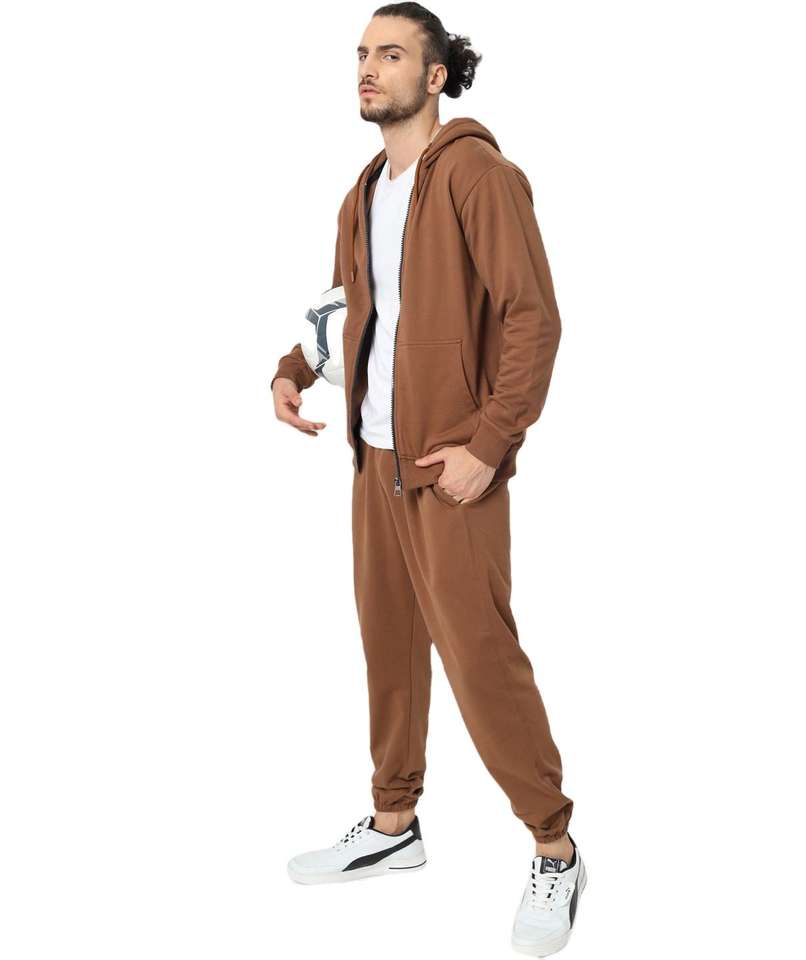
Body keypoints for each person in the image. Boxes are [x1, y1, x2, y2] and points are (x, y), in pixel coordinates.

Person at [269, 4, 585, 954]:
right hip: (375, 461)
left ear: (436, 75)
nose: (368, 69)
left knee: (480, 658)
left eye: (392, 54)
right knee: (390, 647)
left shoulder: (478, 175)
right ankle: (394, 823)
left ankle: (556, 845)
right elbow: (350, 309)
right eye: (362, 54)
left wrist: (490, 442)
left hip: (453, 469)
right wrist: (293, 366)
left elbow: (533, 318)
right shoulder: (364, 190)